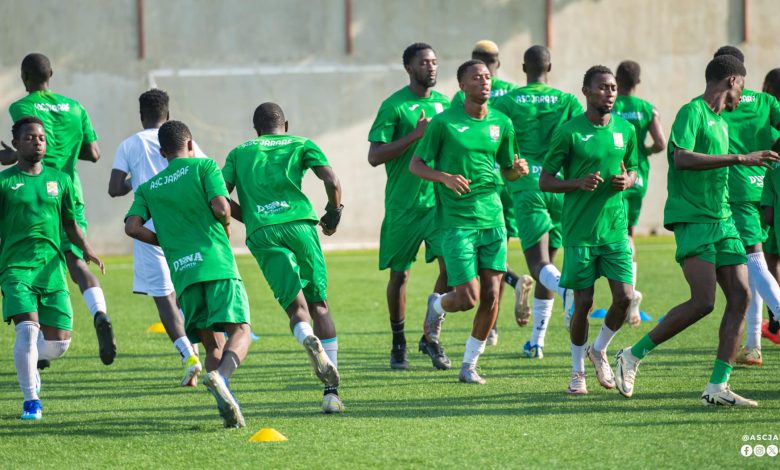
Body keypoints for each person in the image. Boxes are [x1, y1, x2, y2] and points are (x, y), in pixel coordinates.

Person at [614, 55, 779, 407]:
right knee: (703, 301)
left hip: (722, 218)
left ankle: (717, 386)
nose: (742, 96)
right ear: (733, 81)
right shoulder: (693, 112)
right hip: (693, 218)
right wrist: (739, 158)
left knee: (741, 296)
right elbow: (681, 158)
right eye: (742, 87)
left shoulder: (721, 121)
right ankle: (631, 354)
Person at [124, 120, 252, 428]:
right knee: (241, 330)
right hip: (216, 263)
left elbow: (131, 226)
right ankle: (221, 377)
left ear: (163, 152)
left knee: (212, 346)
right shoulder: (204, 167)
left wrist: (166, 242)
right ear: (190, 144)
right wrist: (225, 225)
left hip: (183, 272)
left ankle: (227, 403)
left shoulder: (149, 187)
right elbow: (222, 207)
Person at [410, 60, 528, 384]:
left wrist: (516, 170)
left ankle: (469, 365)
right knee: (468, 298)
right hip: (456, 221)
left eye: (488, 77)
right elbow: (416, 164)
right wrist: (445, 178)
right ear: (462, 86)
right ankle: (438, 305)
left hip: (493, 218)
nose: (484, 82)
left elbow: (507, 168)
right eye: (476, 78)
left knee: (492, 294)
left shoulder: (502, 123)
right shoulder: (444, 124)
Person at [223, 102, 344, 414]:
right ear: (285, 125)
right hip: (300, 225)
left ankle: (305, 336)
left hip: (263, 231)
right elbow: (331, 180)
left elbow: (220, 200)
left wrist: (250, 216)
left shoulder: (239, 152)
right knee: (320, 305)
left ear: (256, 130)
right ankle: (331, 394)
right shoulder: (301, 143)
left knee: (297, 307)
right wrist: (333, 213)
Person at [0, 53, 115, 366]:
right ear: (51, 74)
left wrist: (9, 156)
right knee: (76, 260)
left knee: (30, 260)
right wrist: (66, 146)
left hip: (33, 191)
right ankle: (99, 312)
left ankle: (34, 336)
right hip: (68, 189)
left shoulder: (20, 107)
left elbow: (25, 147)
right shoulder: (76, 107)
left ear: (25, 77)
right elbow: (94, 153)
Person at [540, 66, 638, 395]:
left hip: (614, 230)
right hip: (580, 233)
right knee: (583, 303)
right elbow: (546, 180)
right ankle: (577, 371)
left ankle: (599, 350)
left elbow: (634, 167)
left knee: (624, 298)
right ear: (586, 91)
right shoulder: (568, 132)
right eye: (602, 88)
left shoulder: (625, 129)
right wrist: (577, 183)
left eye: (612, 88)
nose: (609, 93)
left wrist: (629, 181)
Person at [1, 117, 104, 420]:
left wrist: (87, 249)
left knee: (59, 343)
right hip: (15, 268)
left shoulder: (61, 180)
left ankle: (28, 360)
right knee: (28, 330)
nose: (38, 142)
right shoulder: (5, 182)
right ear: (16, 144)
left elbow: (70, 223)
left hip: (51, 268)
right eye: (30, 137)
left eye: (42, 138)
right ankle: (31, 400)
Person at [108, 89, 203, 385]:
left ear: (141, 115)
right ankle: (203, 347)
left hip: (149, 226)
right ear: (168, 114)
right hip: (185, 223)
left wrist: (134, 178)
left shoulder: (129, 144)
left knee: (164, 297)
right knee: (188, 289)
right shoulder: (181, 138)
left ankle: (188, 354)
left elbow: (114, 188)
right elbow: (201, 168)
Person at [493, 45, 582, 358]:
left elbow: (500, 143)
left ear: (522, 67)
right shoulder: (567, 100)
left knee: (537, 263)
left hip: (528, 184)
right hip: (558, 184)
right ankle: (537, 342)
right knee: (550, 266)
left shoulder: (506, 102)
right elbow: (576, 139)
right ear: (550, 66)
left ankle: (568, 292)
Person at [367, 43, 452, 370]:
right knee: (400, 277)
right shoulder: (394, 106)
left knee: (452, 273)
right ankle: (398, 340)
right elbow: (374, 156)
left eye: (434, 61)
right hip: (403, 206)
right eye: (423, 62)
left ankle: (430, 334)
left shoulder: (446, 105)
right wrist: (415, 135)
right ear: (409, 68)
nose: (431, 67)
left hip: (438, 205)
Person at [453, 39, 531, 346]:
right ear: (498, 61)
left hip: (470, 190)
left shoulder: (465, 94)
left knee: (470, 263)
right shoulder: (511, 93)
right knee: (494, 258)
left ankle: (494, 313)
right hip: (504, 186)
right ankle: (495, 319)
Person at [714, 47, 780, 366]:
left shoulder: (722, 103)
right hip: (766, 188)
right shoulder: (767, 102)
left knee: (754, 260)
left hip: (735, 189)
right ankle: (753, 346)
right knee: (751, 271)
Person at [612, 60, 667, 325]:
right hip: (639, 177)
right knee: (628, 232)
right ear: (638, 82)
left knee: (616, 235)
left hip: (615, 177)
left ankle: (627, 293)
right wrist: (643, 152)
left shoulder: (610, 105)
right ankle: (630, 292)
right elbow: (661, 142)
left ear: (617, 80)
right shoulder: (647, 109)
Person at [760, 67, 780, 344]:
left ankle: (775, 322)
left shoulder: (766, 111)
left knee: (766, 259)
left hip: (765, 184)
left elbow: (769, 214)